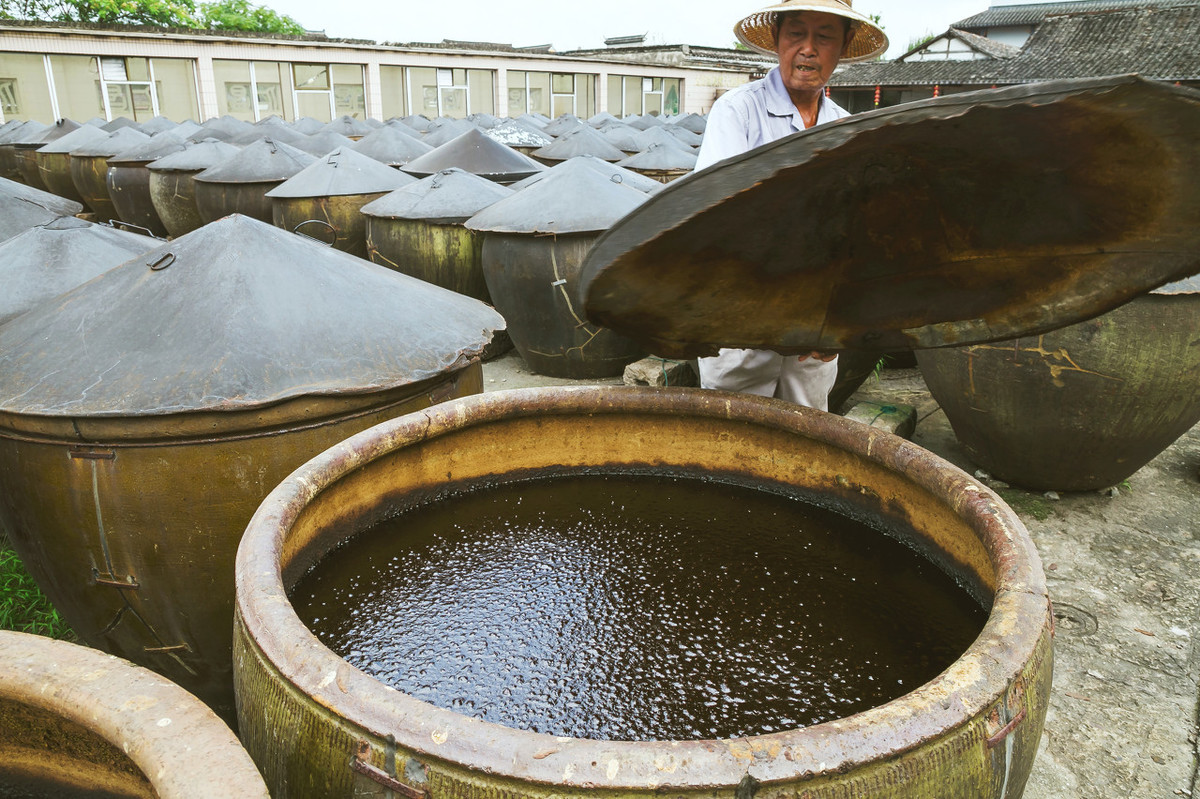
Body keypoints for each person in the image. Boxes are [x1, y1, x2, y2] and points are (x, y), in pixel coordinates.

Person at [694, 0, 888, 411]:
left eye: (824, 36)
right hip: (742, 319)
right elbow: (717, 217)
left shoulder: (844, 128)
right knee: (735, 440)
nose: (808, 49)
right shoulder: (738, 111)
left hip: (814, 330)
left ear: (844, 44)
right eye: (796, 33)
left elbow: (852, 235)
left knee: (806, 443)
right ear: (778, 39)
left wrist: (837, 319)